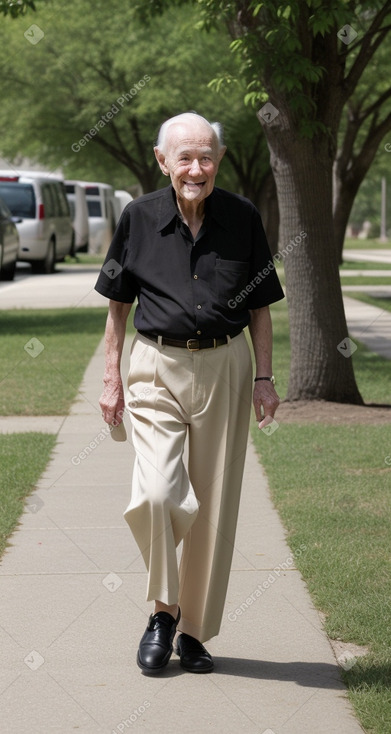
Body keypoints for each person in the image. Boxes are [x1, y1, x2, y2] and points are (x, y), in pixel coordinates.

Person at [95, 112, 284, 675]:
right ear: (163, 162)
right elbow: (117, 307)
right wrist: (112, 377)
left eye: (206, 157)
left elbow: (260, 309)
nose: (196, 168)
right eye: (184, 158)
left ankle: (194, 631)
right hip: (156, 363)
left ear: (219, 159)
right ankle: (162, 611)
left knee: (212, 509)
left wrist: (264, 378)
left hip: (226, 364)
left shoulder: (242, 217)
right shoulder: (137, 217)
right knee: (157, 494)